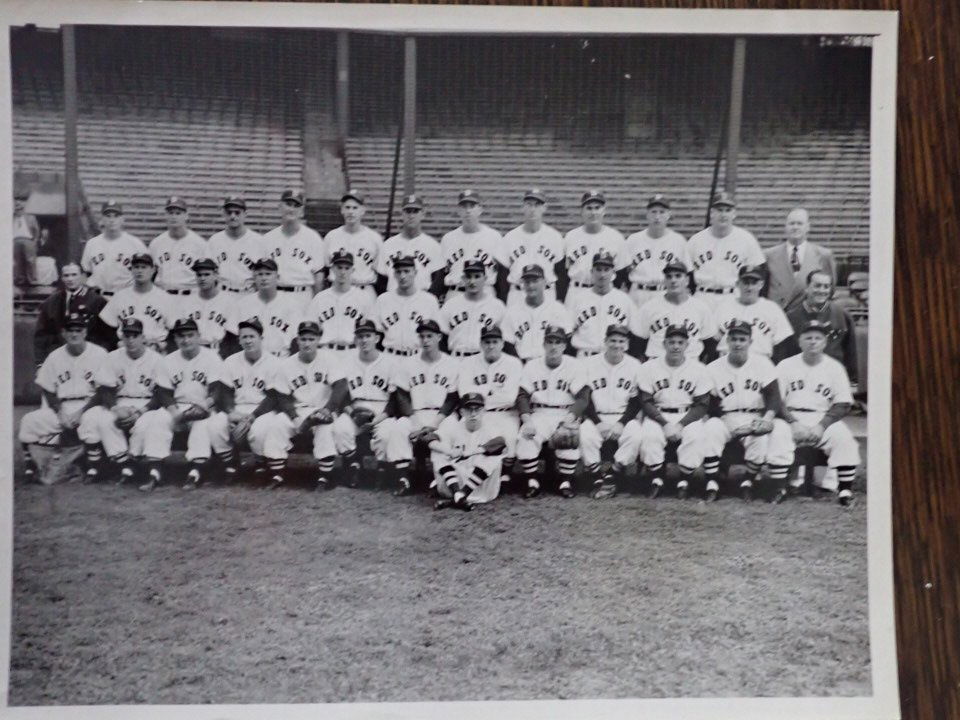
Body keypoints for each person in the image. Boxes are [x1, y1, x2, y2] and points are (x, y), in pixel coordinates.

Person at [703, 321, 795, 503]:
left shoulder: (762, 364)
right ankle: (712, 483)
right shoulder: (713, 367)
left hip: (756, 416)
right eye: (734, 339)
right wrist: (723, 421)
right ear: (727, 341)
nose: (738, 343)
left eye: (742, 339)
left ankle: (748, 481)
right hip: (726, 416)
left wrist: (767, 418)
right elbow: (710, 404)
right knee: (711, 429)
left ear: (750, 342)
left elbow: (774, 397)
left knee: (760, 438)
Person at [616, 325, 712, 499]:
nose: (676, 346)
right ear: (664, 344)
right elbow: (645, 401)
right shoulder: (649, 367)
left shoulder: (699, 369)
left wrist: (681, 424)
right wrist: (665, 423)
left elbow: (702, 405)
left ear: (687, 345)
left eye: (680, 342)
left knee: (696, 436)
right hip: (658, 414)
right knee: (650, 435)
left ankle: (685, 480)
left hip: (687, 415)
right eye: (672, 342)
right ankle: (657, 477)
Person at [129, 318, 223, 492]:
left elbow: (217, 391)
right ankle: (155, 472)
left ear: (199, 336)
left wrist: (205, 406)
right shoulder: (168, 360)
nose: (186, 340)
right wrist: (173, 412)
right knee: (158, 419)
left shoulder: (212, 358)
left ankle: (196, 472)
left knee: (201, 425)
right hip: (177, 405)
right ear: (175, 339)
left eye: (190, 335)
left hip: (203, 406)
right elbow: (163, 392)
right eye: (181, 336)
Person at [776, 319, 861, 506]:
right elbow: (776, 400)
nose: (813, 342)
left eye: (818, 338)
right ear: (799, 341)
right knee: (778, 434)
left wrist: (822, 425)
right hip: (792, 416)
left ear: (825, 342)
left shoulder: (835, 368)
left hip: (822, 417)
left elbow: (843, 403)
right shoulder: (785, 366)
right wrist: (792, 422)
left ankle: (845, 490)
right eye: (808, 338)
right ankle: (780, 487)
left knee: (844, 438)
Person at [255, 321, 349, 490]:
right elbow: (282, 396)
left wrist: (328, 409)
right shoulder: (287, 365)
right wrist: (294, 417)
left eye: (311, 339)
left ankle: (324, 476)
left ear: (319, 340)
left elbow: (341, 386)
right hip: (298, 410)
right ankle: (277, 474)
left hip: (323, 408)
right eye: (303, 339)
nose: (307, 343)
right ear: (297, 340)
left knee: (324, 428)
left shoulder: (330, 359)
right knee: (277, 425)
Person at [18, 313, 109, 482]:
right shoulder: (54, 357)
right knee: (29, 421)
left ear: (85, 332)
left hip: (90, 405)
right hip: (63, 406)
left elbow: (104, 389)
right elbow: (48, 388)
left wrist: (82, 411)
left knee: (91, 420)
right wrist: (60, 412)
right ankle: (31, 468)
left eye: (78, 329)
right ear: (63, 333)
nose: (74, 334)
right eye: (70, 330)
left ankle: (94, 468)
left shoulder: (100, 354)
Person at [76, 318, 163, 485]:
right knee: (98, 418)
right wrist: (115, 408)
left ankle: (135, 463)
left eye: (135, 335)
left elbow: (161, 394)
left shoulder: (156, 360)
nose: (130, 340)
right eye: (127, 335)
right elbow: (105, 389)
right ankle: (122, 464)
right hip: (119, 401)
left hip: (146, 405)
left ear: (143, 337)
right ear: (121, 337)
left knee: (145, 424)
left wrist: (140, 412)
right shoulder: (112, 357)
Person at [203, 317, 284, 489]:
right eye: (244, 337)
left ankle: (260, 465)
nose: (248, 340)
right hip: (237, 408)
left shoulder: (275, 363)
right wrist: (231, 412)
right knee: (215, 424)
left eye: (252, 336)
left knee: (260, 429)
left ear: (261, 338)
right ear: (239, 340)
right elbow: (224, 391)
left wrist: (252, 417)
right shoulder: (231, 361)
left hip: (263, 410)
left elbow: (273, 397)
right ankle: (230, 465)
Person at [515, 325, 589, 499]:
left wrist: (569, 419)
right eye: (550, 341)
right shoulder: (532, 366)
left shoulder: (575, 366)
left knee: (569, 438)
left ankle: (565, 481)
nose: (554, 346)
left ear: (564, 345)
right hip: (539, 413)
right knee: (525, 438)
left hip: (565, 413)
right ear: (544, 344)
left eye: (558, 342)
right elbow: (522, 396)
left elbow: (583, 397)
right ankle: (532, 481)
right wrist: (527, 420)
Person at [389, 319, 461, 496]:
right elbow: (401, 394)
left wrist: (436, 421)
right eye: (421, 337)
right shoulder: (408, 363)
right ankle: (403, 478)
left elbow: (453, 397)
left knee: (449, 430)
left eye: (430, 336)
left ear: (439, 337)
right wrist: (413, 418)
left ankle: (440, 478)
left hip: (442, 415)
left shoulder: (452, 363)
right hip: (416, 413)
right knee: (399, 428)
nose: (425, 340)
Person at [330, 319, 406, 487]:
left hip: (381, 410)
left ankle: (382, 468)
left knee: (387, 434)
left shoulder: (391, 362)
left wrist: (378, 419)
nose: (364, 340)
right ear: (355, 339)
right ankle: (353, 465)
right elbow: (341, 395)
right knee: (340, 429)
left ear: (377, 338)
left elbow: (394, 399)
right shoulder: (346, 361)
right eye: (360, 336)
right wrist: (351, 413)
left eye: (368, 335)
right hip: (354, 408)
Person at [577, 324, 645, 499]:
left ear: (627, 344)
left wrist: (621, 424)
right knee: (585, 434)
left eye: (621, 341)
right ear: (605, 342)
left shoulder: (635, 365)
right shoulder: (589, 364)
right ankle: (596, 475)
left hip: (622, 417)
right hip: (596, 417)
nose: (617, 345)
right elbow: (586, 397)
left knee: (635, 434)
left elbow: (635, 401)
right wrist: (597, 422)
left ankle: (613, 473)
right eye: (613, 340)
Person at [457, 325, 523, 491]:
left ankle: (504, 473)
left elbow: (510, 397)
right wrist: (493, 392)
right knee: (470, 440)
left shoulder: (513, 363)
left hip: (506, 414)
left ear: (502, 343)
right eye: (487, 342)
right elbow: (464, 393)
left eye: (495, 341)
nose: (491, 346)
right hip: (478, 413)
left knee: (509, 439)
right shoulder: (468, 362)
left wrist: (480, 394)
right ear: (481, 344)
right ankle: (470, 475)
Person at [429, 392, 507, 511]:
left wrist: (471, 452)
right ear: (461, 412)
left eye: (477, 409)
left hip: (483, 488)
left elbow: (501, 442)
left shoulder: (491, 427)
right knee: (438, 451)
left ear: (484, 411)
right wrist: (449, 451)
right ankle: (459, 496)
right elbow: (428, 438)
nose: (473, 413)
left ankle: (459, 496)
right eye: (468, 409)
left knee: (494, 455)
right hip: (455, 482)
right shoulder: (453, 426)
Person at [782, 270, 859, 383]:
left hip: (831, 379)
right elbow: (784, 355)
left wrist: (852, 379)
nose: (822, 291)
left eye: (826, 287)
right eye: (817, 286)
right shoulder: (790, 317)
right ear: (807, 288)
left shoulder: (842, 315)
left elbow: (850, 353)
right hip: (799, 379)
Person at [633, 259, 717, 362]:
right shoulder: (649, 307)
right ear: (664, 281)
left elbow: (710, 343)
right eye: (669, 276)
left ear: (687, 280)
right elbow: (638, 341)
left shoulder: (701, 308)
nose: (673, 280)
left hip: (690, 364)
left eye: (678, 276)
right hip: (656, 363)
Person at [687, 191, 765, 296]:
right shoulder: (696, 240)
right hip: (702, 296)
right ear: (712, 213)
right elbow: (685, 274)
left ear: (734, 214)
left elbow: (758, 273)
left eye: (728, 210)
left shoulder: (747, 239)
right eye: (719, 210)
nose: (723, 215)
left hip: (733, 296)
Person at [260, 189, 325, 311]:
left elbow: (319, 276)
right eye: (288, 204)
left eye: (296, 206)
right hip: (275, 295)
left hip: (302, 295)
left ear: (302, 212)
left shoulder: (313, 238)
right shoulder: (267, 239)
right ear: (280, 207)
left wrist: (315, 304)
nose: (291, 209)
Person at [562, 190, 628, 309]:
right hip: (577, 290)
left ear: (604, 210)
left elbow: (620, 274)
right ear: (582, 211)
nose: (593, 212)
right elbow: (563, 274)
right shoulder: (571, 237)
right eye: (589, 208)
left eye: (597, 208)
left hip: (605, 293)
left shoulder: (615, 237)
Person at [34, 263, 111, 363]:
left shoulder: (97, 301)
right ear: (61, 278)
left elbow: (108, 336)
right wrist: (41, 362)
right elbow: (41, 335)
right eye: (66, 275)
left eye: (74, 275)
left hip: (89, 358)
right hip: (59, 358)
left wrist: (100, 356)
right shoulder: (51, 302)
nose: (70, 279)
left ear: (83, 276)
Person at [713, 265, 794, 360]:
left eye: (754, 283)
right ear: (737, 283)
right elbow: (712, 342)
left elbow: (782, 345)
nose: (749, 287)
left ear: (761, 284)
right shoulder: (724, 307)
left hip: (760, 362)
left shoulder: (772, 308)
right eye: (745, 282)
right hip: (726, 361)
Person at [763, 208, 836, 313]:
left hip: (808, 316)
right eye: (791, 223)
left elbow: (830, 290)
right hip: (777, 315)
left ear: (808, 227)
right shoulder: (768, 255)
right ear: (785, 227)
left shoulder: (823, 255)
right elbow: (763, 291)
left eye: (800, 223)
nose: (795, 227)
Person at [99, 253, 176, 351]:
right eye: (136, 267)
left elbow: (174, 330)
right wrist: (116, 344)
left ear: (153, 270)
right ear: (131, 270)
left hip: (155, 349)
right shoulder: (120, 296)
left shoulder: (165, 298)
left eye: (144, 267)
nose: (140, 271)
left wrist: (163, 346)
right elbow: (107, 328)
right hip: (125, 348)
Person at [501, 188, 565, 306]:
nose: (533, 209)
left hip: (547, 294)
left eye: (537, 205)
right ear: (523, 207)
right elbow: (502, 277)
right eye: (529, 205)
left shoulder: (555, 237)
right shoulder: (510, 238)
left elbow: (561, 274)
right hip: (518, 294)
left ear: (544, 208)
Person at [624, 194, 689, 308]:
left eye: (662, 212)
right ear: (647, 214)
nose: (657, 216)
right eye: (653, 212)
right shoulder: (633, 240)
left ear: (669, 214)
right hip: (638, 293)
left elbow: (687, 274)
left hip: (665, 292)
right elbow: (623, 272)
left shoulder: (678, 241)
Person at [439, 189, 506, 301]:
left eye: (472, 206)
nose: (468, 210)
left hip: (486, 293)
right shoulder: (448, 239)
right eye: (464, 207)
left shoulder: (494, 237)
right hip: (456, 293)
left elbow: (502, 275)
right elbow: (440, 275)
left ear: (480, 209)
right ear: (458, 210)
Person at [305, 250, 374, 358]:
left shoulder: (364, 298)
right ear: (332, 269)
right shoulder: (320, 298)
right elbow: (311, 331)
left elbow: (371, 333)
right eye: (339, 267)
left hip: (353, 352)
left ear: (353, 270)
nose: (343, 272)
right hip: (326, 352)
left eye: (347, 268)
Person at [569, 252, 636, 357]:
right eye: (598, 269)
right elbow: (567, 332)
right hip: (585, 357)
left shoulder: (624, 300)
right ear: (592, 272)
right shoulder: (578, 299)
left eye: (606, 270)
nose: (602, 274)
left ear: (613, 273)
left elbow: (636, 331)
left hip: (614, 358)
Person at [373, 254, 441, 358]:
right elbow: (375, 334)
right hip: (390, 356)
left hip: (418, 356)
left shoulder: (429, 300)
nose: (402, 276)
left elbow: (435, 336)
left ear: (415, 272)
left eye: (406, 271)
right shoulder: (383, 300)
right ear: (394, 274)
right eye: (398, 272)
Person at [500, 264, 572, 361]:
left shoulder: (557, 309)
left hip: (550, 365)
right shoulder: (512, 312)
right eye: (527, 282)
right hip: (523, 364)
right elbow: (507, 344)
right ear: (522, 284)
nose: (531, 285)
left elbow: (567, 341)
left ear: (545, 282)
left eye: (535, 281)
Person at [438, 259, 507, 359]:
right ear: (462, 279)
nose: (472, 281)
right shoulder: (451, 305)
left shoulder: (497, 306)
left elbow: (504, 341)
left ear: (485, 278)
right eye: (468, 277)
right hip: (457, 358)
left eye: (477, 276)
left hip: (483, 360)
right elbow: (441, 338)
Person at [235, 258, 303, 357]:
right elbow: (233, 340)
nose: (264, 278)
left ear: (277, 277)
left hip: (281, 359)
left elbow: (296, 341)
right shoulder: (243, 304)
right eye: (260, 274)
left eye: (268, 274)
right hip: (251, 360)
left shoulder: (292, 304)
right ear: (254, 277)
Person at [323, 189, 383, 302]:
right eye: (347, 207)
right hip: (336, 291)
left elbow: (380, 271)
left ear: (363, 210)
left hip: (364, 289)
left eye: (355, 208)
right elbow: (326, 267)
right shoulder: (331, 237)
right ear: (342, 210)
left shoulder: (374, 238)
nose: (351, 212)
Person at [376, 193, 442, 295]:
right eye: (408, 211)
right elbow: (381, 281)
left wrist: (428, 301)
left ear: (423, 214)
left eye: (415, 211)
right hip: (393, 299)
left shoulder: (433, 246)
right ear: (402, 214)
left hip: (421, 300)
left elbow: (438, 282)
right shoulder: (388, 245)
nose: (411, 216)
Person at [80, 200, 148, 296]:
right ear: (102, 219)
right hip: (99, 297)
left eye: (116, 216)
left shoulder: (135, 244)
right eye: (108, 216)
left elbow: (147, 273)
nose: (112, 220)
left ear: (122, 219)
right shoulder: (92, 244)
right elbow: (85, 272)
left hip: (126, 296)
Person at [177, 258, 239, 356]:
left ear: (216, 276)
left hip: (218, 351)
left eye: (207, 274)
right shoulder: (186, 302)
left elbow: (232, 336)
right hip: (192, 351)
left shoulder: (229, 302)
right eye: (199, 275)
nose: (202, 278)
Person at [150, 195, 209, 295]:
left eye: (178, 213)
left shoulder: (200, 244)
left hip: (190, 296)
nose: (174, 217)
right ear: (166, 215)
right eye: (170, 213)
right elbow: (149, 274)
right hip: (163, 295)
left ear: (186, 215)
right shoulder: (156, 244)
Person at [207, 196, 262, 294]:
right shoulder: (214, 241)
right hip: (222, 294)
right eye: (229, 212)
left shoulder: (258, 241)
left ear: (245, 214)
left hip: (248, 294)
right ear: (223, 214)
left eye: (237, 212)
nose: (233, 216)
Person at [13, 188, 40, 289]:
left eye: (20, 205)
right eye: (16, 205)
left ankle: (32, 280)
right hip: (15, 240)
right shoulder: (11, 217)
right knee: (17, 261)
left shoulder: (30, 217)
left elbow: (36, 231)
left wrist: (35, 241)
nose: (18, 207)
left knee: (30, 260)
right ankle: (20, 280)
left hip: (28, 240)